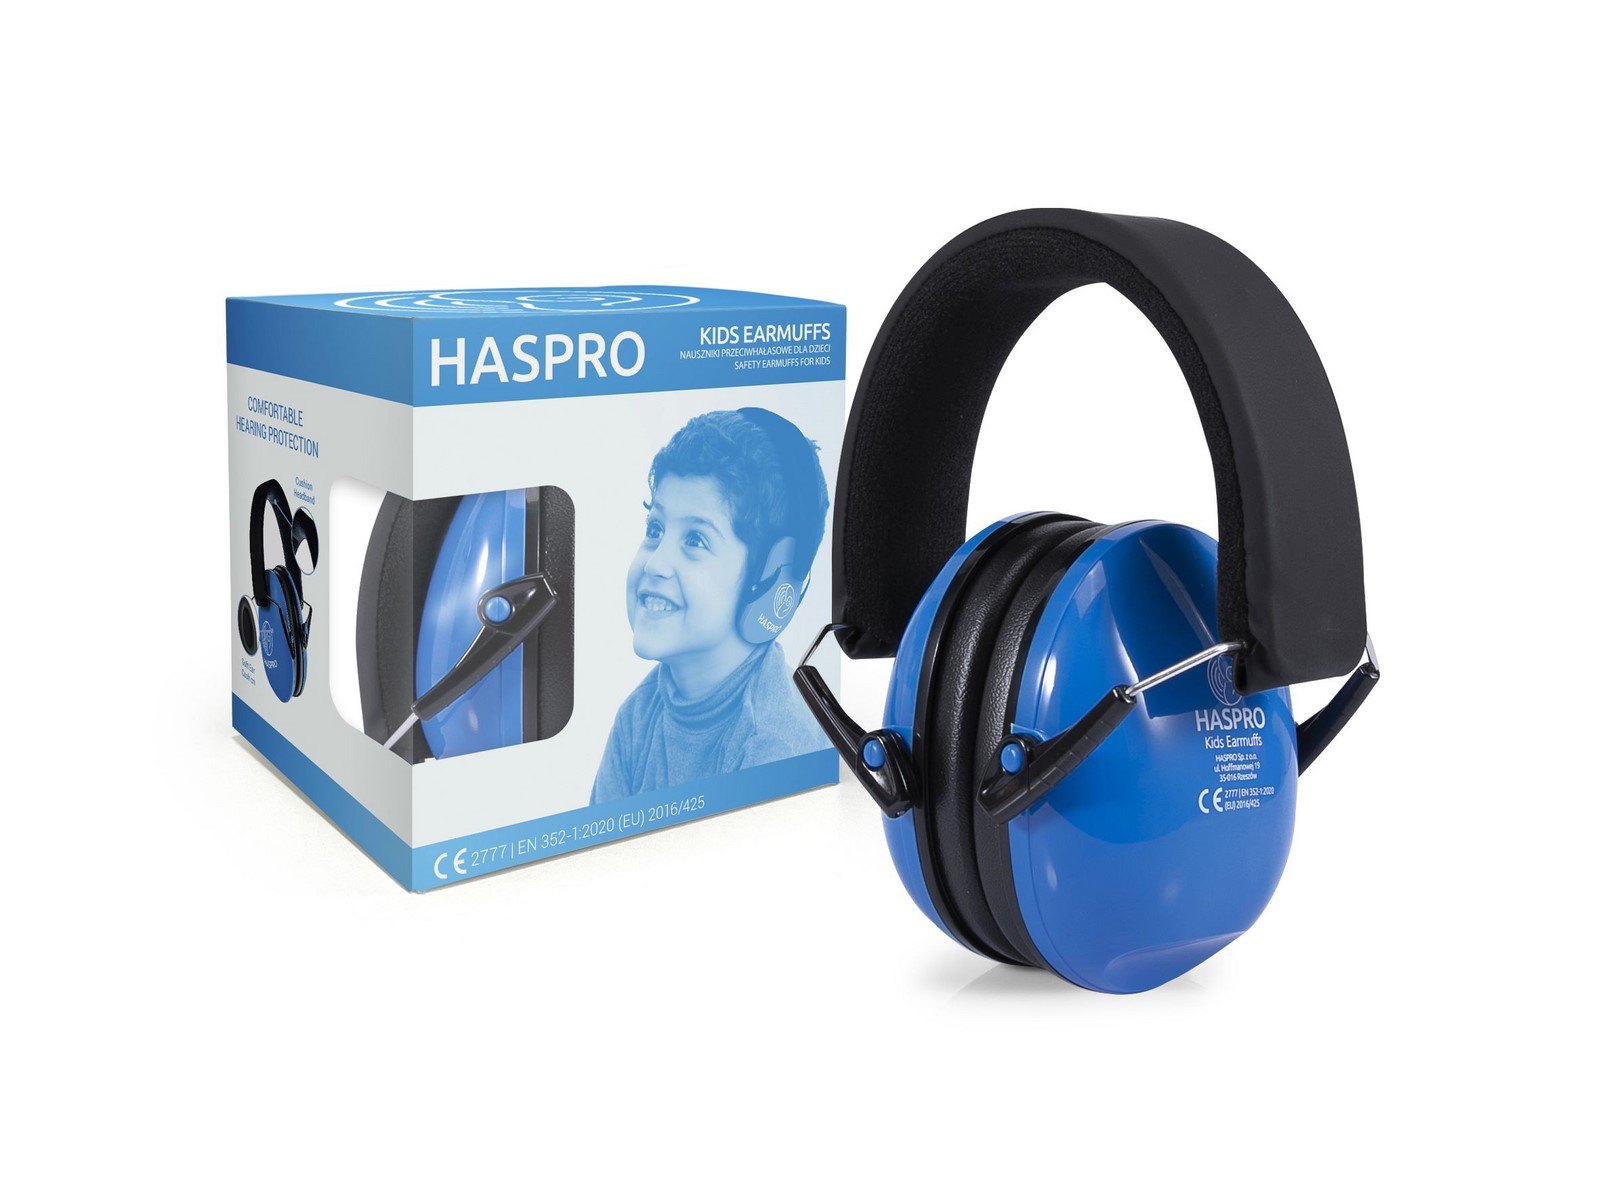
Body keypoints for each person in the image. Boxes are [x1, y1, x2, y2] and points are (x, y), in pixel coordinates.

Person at [590, 408, 830, 805]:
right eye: (655, 529)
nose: (655, 563)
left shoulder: (774, 748)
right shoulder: (639, 716)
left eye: (695, 540)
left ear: (767, 582)